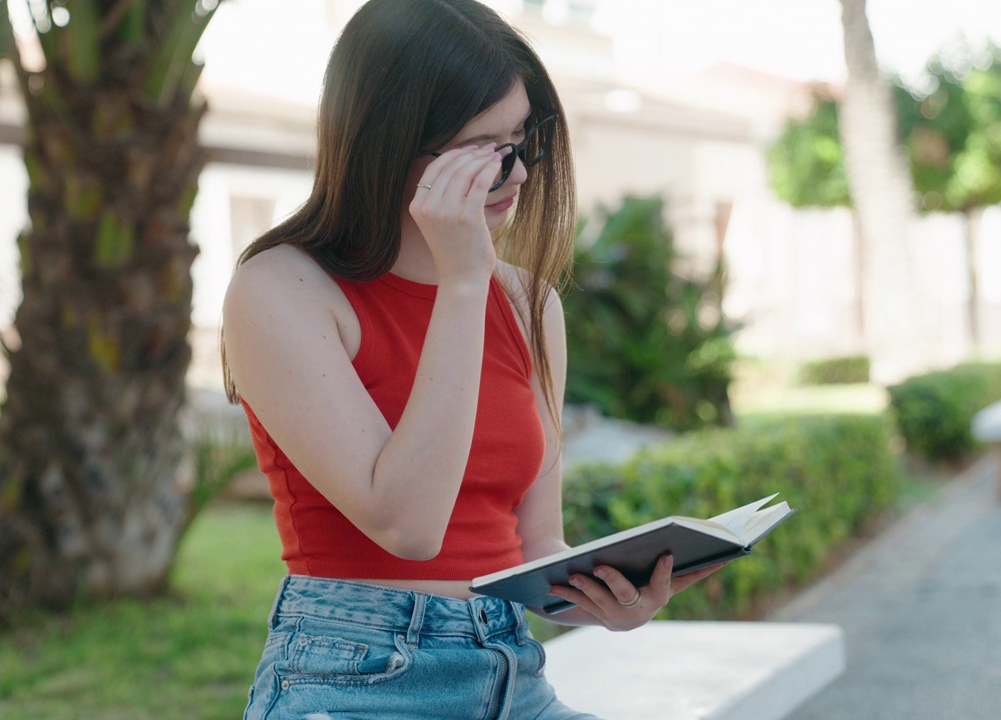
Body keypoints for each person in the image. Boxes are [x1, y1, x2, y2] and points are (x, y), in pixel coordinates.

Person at [221, 1, 723, 717]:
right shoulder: (281, 288)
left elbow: (533, 545)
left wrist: (611, 604)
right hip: (355, 677)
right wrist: (463, 282)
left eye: (521, 139)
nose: (514, 173)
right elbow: (410, 527)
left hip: (510, 673)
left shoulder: (530, 304)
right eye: (481, 149)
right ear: (386, 144)